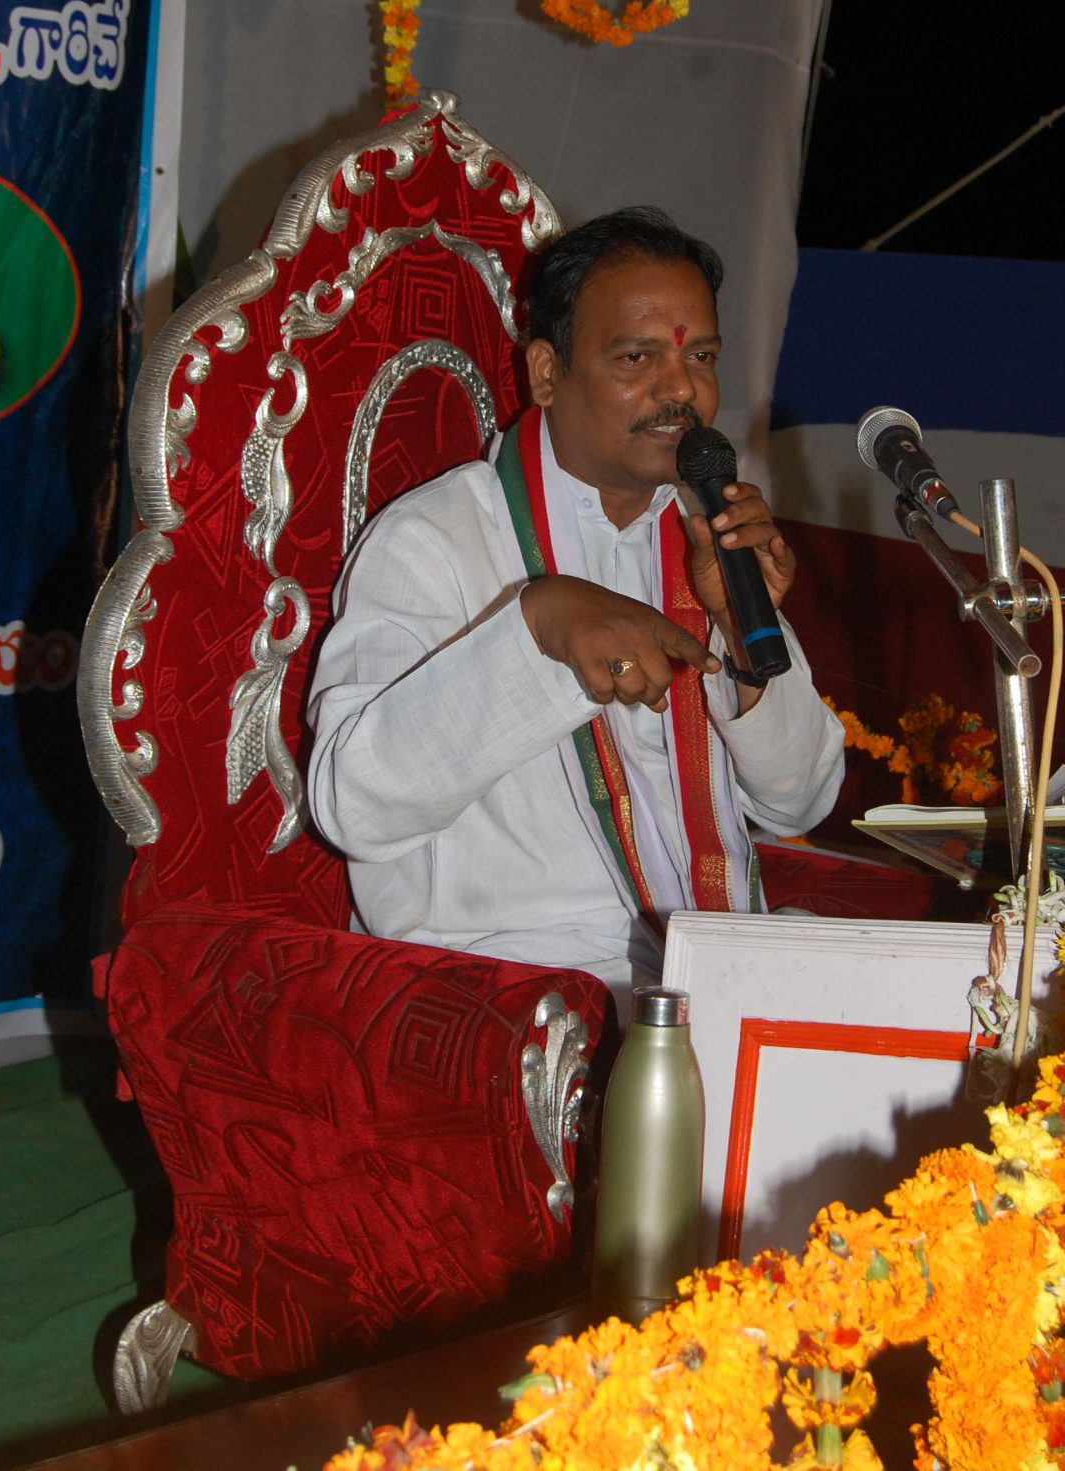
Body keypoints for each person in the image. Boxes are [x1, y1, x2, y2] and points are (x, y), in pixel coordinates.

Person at [307, 208, 844, 1006]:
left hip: (708, 966)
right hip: (514, 987)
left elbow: (802, 797)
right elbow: (351, 804)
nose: (682, 389)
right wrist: (537, 629)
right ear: (547, 373)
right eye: (637, 356)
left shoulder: (704, 540)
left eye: (700, 356)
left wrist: (742, 632)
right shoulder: (435, 540)